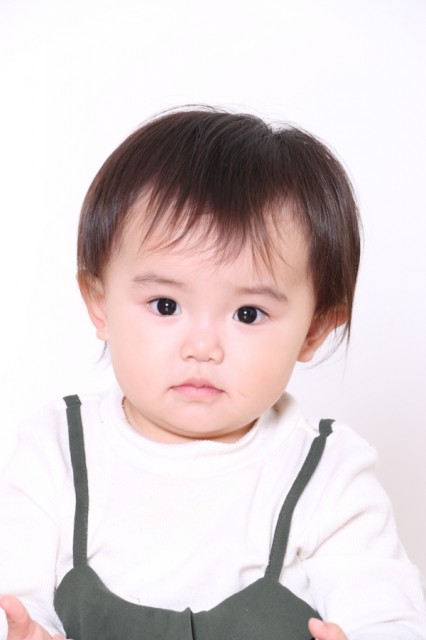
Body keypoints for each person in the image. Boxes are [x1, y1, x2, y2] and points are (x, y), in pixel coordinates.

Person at [0, 108, 425, 640]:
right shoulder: (56, 452)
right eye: (165, 305)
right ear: (99, 302)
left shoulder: (327, 475)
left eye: (248, 314)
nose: (202, 347)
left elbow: (387, 616)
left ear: (313, 330)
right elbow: (14, 600)